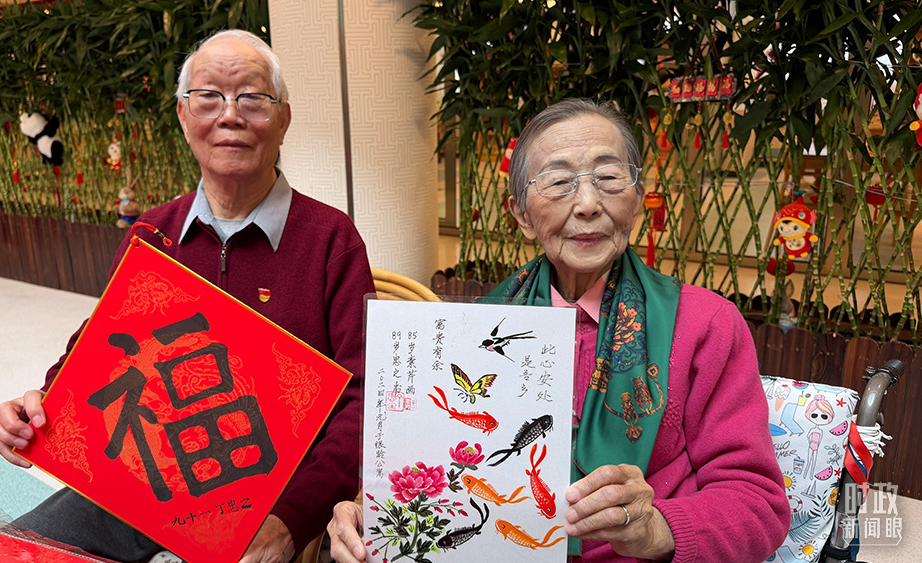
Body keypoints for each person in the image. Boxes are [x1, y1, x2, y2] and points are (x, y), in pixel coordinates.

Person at [326, 99, 790, 562]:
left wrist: (657, 528)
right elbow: (437, 470)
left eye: (608, 178)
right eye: (559, 182)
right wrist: (376, 514)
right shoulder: (476, 330)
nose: (587, 204)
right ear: (522, 215)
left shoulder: (705, 325)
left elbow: (759, 505)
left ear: (637, 197)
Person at [0, 29, 374, 563]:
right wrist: (40, 408)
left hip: (266, 501)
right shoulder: (153, 232)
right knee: (1, 551)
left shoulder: (331, 240)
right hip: (145, 482)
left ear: (283, 119)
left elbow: (364, 399)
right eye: (209, 97)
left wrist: (290, 521)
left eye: (252, 99)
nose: (230, 115)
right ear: (183, 115)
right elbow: (99, 347)